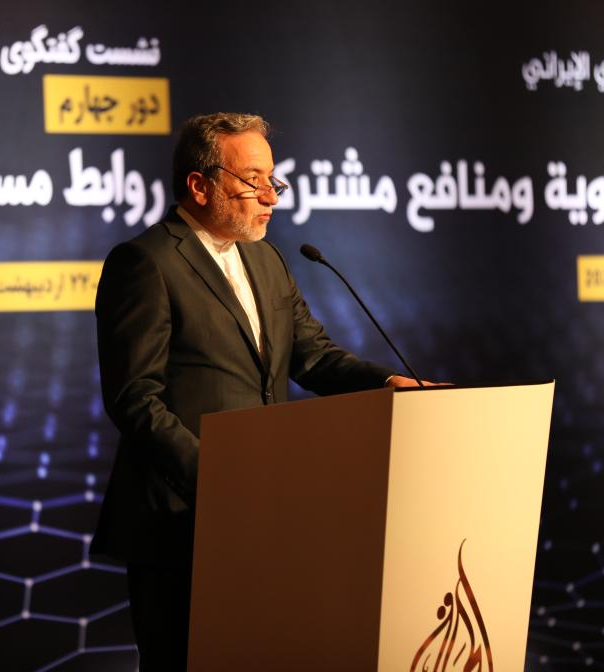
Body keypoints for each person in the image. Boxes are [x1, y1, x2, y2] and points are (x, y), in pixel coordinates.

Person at [91, 112, 426, 669]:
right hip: (183, 523)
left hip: (265, 514)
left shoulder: (266, 259)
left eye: (273, 179)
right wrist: (221, 479)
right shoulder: (146, 262)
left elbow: (313, 356)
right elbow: (135, 398)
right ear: (199, 185)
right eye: (253, 180)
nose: (271, 195)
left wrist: (389, 383)